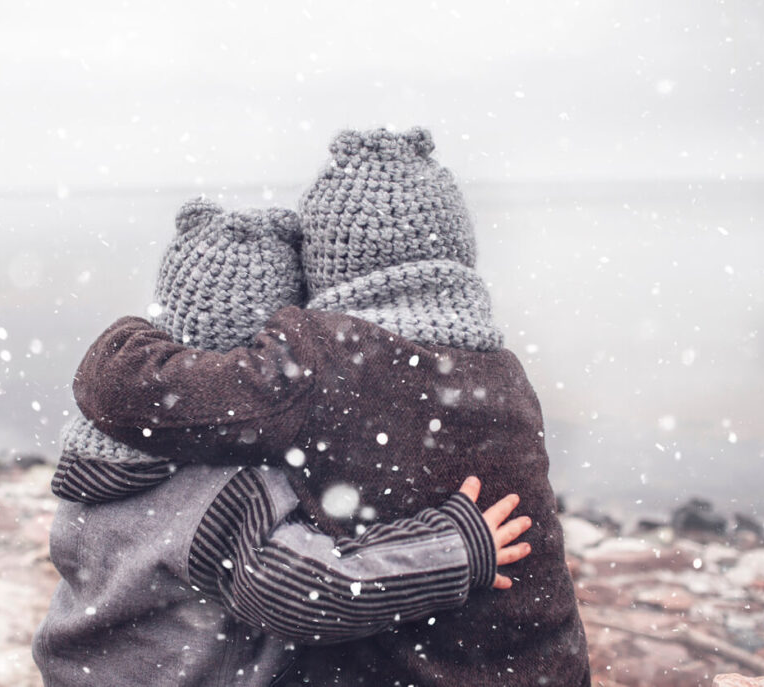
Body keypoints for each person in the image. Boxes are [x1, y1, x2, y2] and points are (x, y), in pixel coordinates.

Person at [71, 128, 591, 686]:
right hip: (546, 659)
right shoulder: (503, 370)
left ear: (325, 263)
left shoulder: (326, 361)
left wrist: (120, 347)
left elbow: (145, 397)